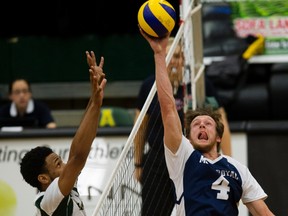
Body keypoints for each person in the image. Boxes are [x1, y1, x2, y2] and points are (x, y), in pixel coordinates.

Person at [139, 29, 274, 215]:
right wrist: (159, 55)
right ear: (189, 138)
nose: (202, 125)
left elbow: (263, 212)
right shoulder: (184, 157)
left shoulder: (237, 169)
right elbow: (169, 110)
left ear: (218, 136)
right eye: (196, 124)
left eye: (208, 123)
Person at [134, 37, 232, 215]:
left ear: (184, 61)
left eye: (178, 56)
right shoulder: (150, 85)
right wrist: (138, 164)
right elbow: (139, 127)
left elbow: (221, 120)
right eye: (169, 56)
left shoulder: (198, 85)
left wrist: (229, 163)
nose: (174, 61)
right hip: (158, 161)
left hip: (194, 161)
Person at [19, 51, 107, 215]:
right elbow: (78, 157)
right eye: (59, 164)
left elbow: (79, 145)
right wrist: (95, 104)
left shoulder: (63, 184)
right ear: (44, 179)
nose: (66, 165)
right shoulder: (48, 200)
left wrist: (96, 93)